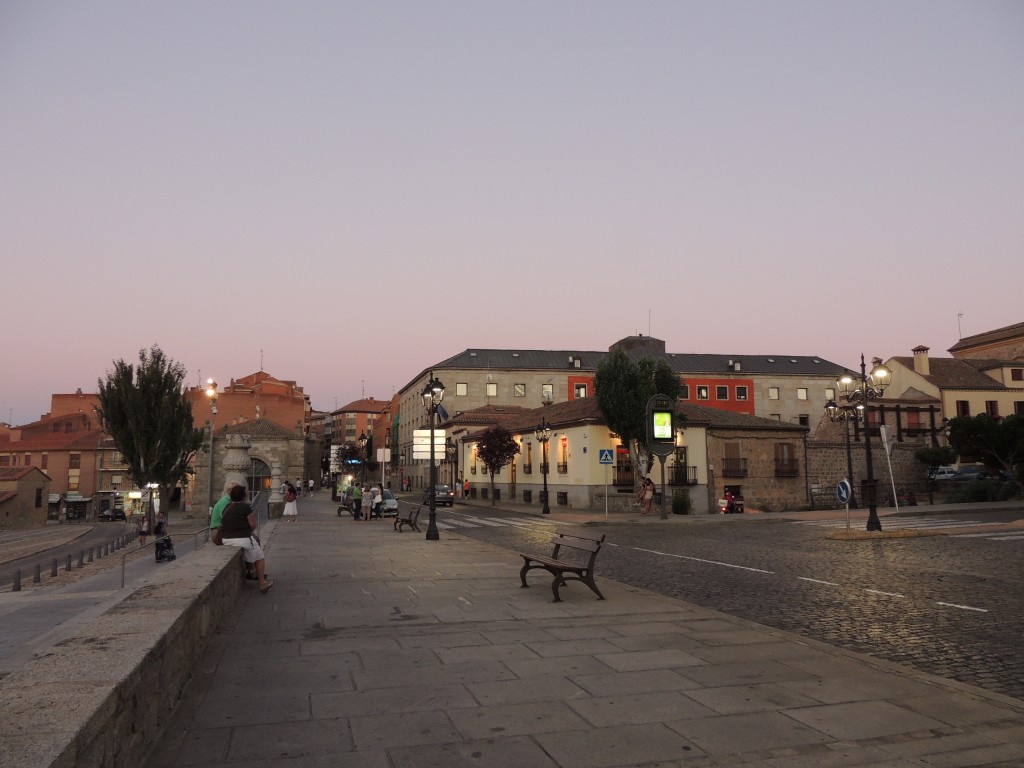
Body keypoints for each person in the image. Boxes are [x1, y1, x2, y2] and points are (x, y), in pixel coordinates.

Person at [220, 485, 273, 593]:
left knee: (251, 548)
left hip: (226, 539)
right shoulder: (245, 507)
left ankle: (251, 570)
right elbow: (253, 525)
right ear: (243, 496)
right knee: (259, 556)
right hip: (241, 538)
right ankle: (262, 583)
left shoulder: (226, 507)